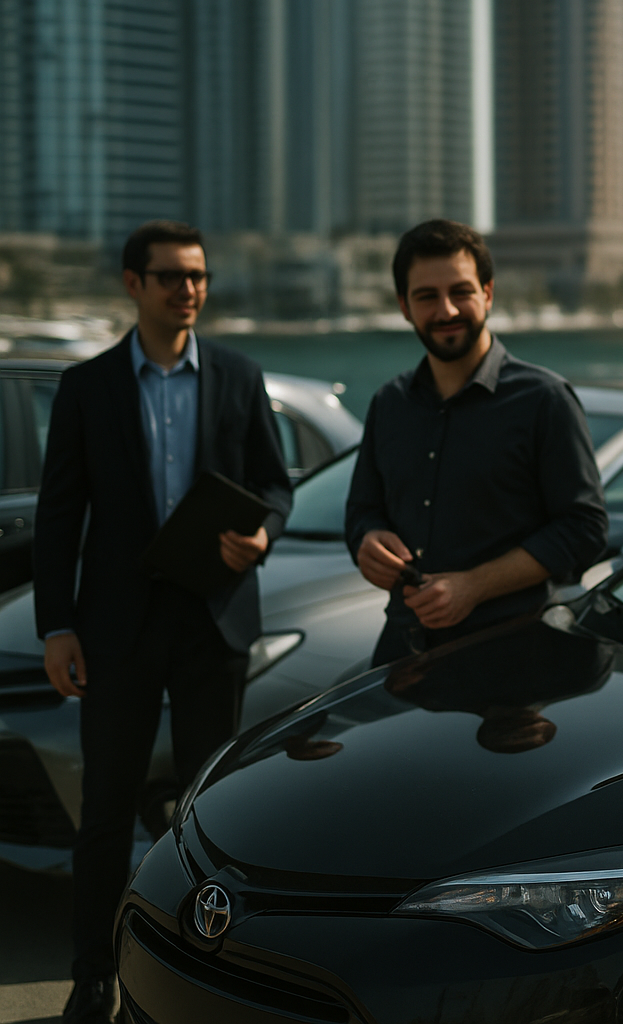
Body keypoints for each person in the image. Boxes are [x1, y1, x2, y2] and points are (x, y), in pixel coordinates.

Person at [34, 220, 292, 1024]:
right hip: (117, 631)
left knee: (211, 811)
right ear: (133, 284)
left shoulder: (240, 377)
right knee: (107, 809)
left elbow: (276, 488)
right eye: (173, 276)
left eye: (199, 277)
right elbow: (58, 517)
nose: (190, 289)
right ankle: (91, 975)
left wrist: (262, 535)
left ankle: (203, 969)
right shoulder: (87, 387)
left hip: (214, 623)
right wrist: (56, 626)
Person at [346, 219, 607, 666]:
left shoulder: (544, 399)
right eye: (427, 296)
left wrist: (474, 586)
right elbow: (362, 511)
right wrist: (367, 540)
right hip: (401, 654)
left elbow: (584, 529)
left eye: (460, 291)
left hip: (515, 657)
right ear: (404, 306)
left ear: (487, 293)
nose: (446, 310)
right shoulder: (389, 402)